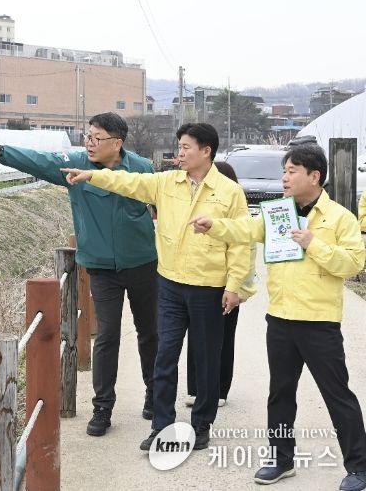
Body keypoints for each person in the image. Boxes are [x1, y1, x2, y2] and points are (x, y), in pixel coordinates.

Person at [0, 112, 158, 437]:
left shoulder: (142, 167)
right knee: (107, 335)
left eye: (97, 138)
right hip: (102, 267)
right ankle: (102, 408)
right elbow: (39, 160)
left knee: (149, 332)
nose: (89, 143)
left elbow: (162, 204)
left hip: (142, 264)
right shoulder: (75, 164)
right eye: (87, 136)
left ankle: (155, 394)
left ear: (117, 143)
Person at [62, 123, 250, 452]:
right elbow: (129, 182)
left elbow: (241, 242)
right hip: (171, 285)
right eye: (180, 146)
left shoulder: (230, 192)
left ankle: (201, 424)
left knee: (207, 360)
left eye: (186, 147)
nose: (180, 152)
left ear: (206, 151)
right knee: (164, 358)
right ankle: (161, 425)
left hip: (208, 286)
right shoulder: (166, 182)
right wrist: (93, 175)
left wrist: (234, 286)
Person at [190, 143, 366, 490]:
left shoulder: (339, 218)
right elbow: (246, 229)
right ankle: (281, 459)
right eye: (284, 171)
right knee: (280, 393)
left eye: (292, 171)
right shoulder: (277, 213)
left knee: (337, 395)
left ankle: (359, 467)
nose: (284, 178)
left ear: (314, 176)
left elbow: (352, 264)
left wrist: (313, 243)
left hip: (319, 322)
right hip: (281, 319)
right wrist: (215, 225)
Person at [184, 161, 257, 409]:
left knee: (224, 338)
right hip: (200, 283)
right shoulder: (199, 212)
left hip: (228, 287)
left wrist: (238, 288)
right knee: (196, 336)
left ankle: (220, 389)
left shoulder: (237, 212)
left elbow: (247, 254)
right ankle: (194, 388)